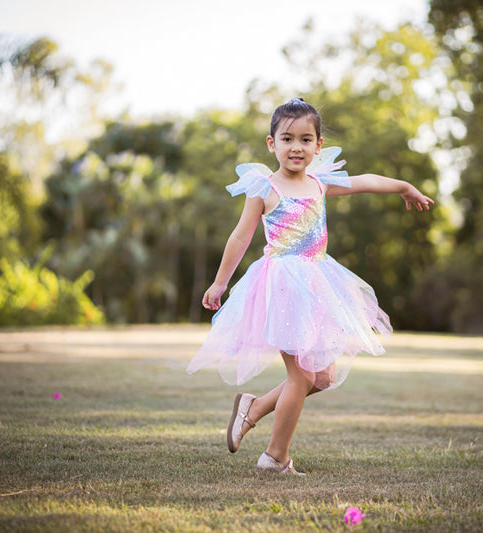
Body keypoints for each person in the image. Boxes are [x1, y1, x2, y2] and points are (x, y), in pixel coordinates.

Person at [186, 98, 434, 475]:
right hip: (282, 287)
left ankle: (254, 409)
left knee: (322, 376)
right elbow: (239, 238)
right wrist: (221, 282)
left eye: (305, 139)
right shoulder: (264, 188)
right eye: (287, 139)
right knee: (301, 376)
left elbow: (365, 181)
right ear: (272, 144)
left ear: (318, 146)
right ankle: (275, 457)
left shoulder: (320, 185)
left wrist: (404, 186)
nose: (296, 147)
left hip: (319, 285)